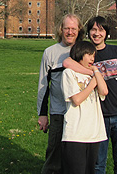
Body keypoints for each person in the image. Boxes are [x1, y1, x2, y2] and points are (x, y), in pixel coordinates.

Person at [63, 16, 117, 174]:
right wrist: (93, 72)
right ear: (88, 33)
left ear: (106, 33)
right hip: (97, 119)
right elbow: (67, 63)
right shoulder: (86, 53)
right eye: (93, 30)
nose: (97, 33)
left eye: (101, 30)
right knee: (97, 165)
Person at [37, 14, 85, 174]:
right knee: (54, 157)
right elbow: (43, 86)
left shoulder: (85, 51)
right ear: (61, 30)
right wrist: (42, 114)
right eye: (67, 28)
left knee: (78, 158)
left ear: (79, 30)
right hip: (58, 113)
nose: (70, 32)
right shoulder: (50, 52)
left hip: (81, 114)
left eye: (73, 28)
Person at [61, 41, 108, 174]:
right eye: (89, 54)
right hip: (76, 135)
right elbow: (76, 100)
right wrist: (92, 84)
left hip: (94, 134)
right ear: (80, 53)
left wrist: (96, 71)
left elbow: (104, 91)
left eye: (94, 55)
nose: (92, 58)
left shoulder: (92, 74)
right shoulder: (69, 74)